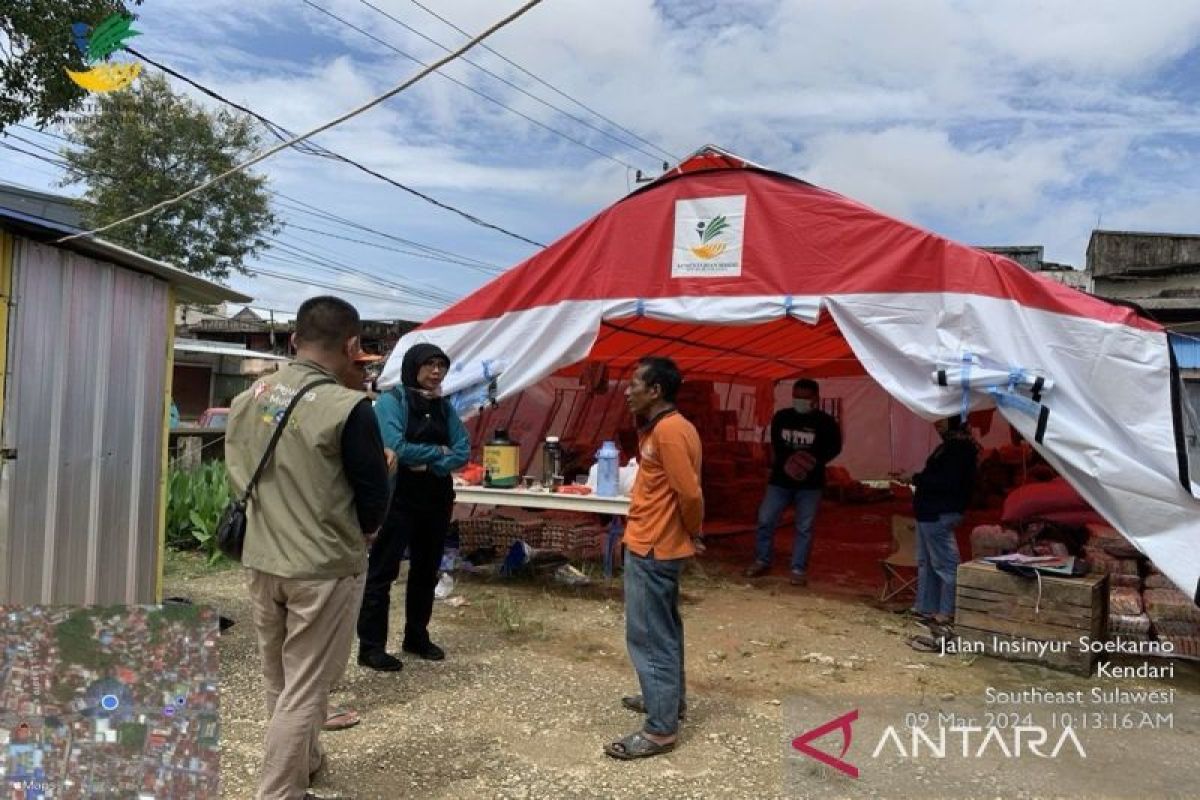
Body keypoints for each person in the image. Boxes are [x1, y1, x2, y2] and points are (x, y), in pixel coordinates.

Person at [226, 296, 389, 800]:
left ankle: (308, 762)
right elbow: (373, 496)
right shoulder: (349, 408)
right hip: (320, 566)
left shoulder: (248, 397)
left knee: (279, 677)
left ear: (295, 340)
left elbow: (237, 475)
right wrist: (363, 530)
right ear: (352, 345)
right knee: (304, 689)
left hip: (261, 557)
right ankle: (279, 792)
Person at [605, 357, 704, 760]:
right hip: (650, 540)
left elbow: (690, 494)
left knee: (649, 637)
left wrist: (693, 532)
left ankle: (661, 730)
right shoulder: (665, 429)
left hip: (654, 546)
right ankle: (667, 702)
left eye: (634, 384)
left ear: (655, 391)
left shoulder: (669, 431)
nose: (627, 391)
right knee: (664, 629)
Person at [357, 343, 470, 671]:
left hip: (436, 498)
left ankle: (416, 636)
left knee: (426, 568)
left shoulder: (444, 407)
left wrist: (428, 461)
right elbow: (396, 448)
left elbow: (463, 451)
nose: (436, 371)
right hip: (399, 497)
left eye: (441, 365)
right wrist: (439, 454)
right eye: (429, 365)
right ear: (412, 366)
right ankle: (371, 646)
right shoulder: (392, 402)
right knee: (383, 570)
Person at [744, 378, 842, 585]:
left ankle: (798, 569)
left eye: (805, 398)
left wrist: (813, 461)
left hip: (811, 484)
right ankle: (762, 560)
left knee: (804, 527)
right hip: (780, 481)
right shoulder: (782, 417)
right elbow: (777, 445)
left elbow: (835, 447)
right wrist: (788, 462)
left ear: (815, 398)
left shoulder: (826, 422)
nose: (800, 401)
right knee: (765, 519)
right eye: (796, 396)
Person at [910, 416, 979, 631]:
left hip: (940, 512)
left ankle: (945, 612)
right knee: (927, 562)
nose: (937, 424)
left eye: (942, 420)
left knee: (945, 565)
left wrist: (916, 479)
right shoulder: (950, 447)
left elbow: (947, 481)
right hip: (929, 511)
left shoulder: (961, 449)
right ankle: (927, 608)